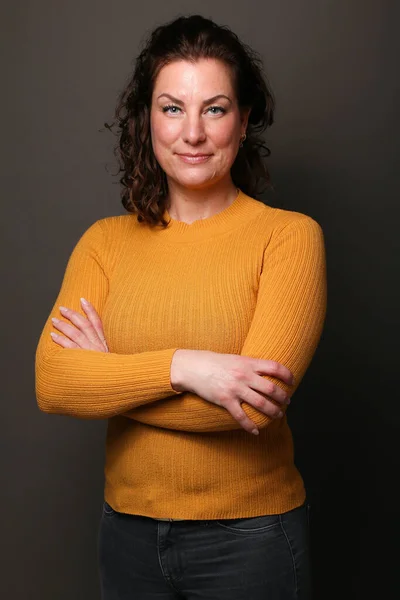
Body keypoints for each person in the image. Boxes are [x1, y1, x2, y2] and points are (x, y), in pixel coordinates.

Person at [35, 14, 327, 600]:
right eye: (172, 108)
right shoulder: (104, 243)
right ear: (148, 120)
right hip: (127, 537)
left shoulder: (288, 237)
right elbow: (53, 382)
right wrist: (188, 368)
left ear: (244, 122)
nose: (192, 132)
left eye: (214, 109)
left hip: (250, 540)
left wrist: (111, 374)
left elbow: (250, 406)